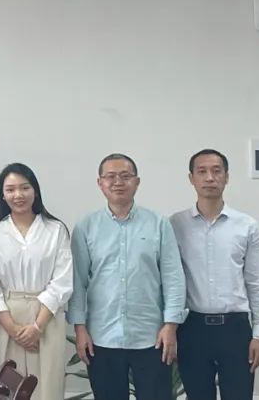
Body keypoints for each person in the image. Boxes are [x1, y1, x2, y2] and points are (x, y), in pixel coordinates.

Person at [69, 153, 186, 400]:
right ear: (100, 183)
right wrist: (80, 329)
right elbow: (78, 283)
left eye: (125, 176)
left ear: (137, 182)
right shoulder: (86, 227)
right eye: (110, 176)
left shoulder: (158, 224)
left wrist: (170, 326)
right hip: (102, 337)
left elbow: (173, 278)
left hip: (152, 337)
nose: (118, 182)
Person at [171, 149, 259, 400]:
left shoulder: (246, 225)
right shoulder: (175, 225)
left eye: (216, 171)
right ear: (191, 178)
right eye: (202, 171)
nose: (209, 177)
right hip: (192, 329)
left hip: (235, 329)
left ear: (227, 177)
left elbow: (257, 283)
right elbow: (169, 281)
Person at [0, 163, 72, 400]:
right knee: (5, 390)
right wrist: (13, 329)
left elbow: (62, 281)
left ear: (35, 191)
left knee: (47, 390)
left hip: (46, 318)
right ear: (2, 195)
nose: (18, 195)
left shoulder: (56, 230)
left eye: (24, 188)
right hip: (6, 320)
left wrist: (36, 328)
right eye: (10, 190)